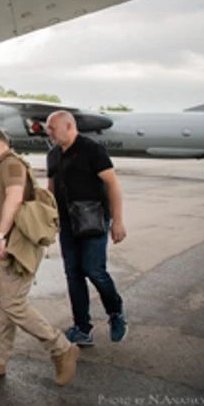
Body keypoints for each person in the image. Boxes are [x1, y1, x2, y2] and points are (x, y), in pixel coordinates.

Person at [0, 127, 79, 386]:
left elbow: (15, 198)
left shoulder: (11, 165)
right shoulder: (5, 165)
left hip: (15, 246)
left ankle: (61, 348)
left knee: (13, 303)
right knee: (4, 301)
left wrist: (1, 235)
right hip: (11, 246)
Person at [46, 110, 128, 346]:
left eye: (53, 128)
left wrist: (118, 221)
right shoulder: (53, 155)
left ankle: (115, 312)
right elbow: (51, 188)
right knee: (73, 275)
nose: (48, 132)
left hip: (94, 221)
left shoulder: (92, 150)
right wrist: (50, 221)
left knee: (94, 270)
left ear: (69, 126)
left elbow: (112, 184)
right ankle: (83, 329)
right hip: (68, 224)